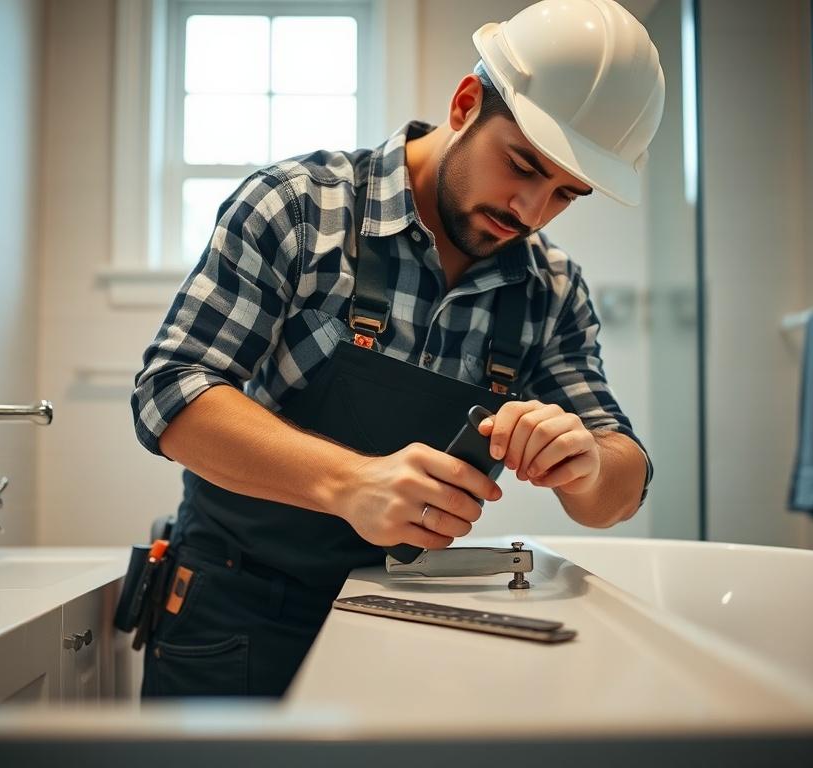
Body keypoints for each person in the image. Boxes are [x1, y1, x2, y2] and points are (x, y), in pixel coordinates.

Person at [131, 0, 665, 698]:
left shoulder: (550, 289)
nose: (530, 213)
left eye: (566, 194)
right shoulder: (297, 209)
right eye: (523, 166)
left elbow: (621, 485)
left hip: (405, 616)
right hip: (232, 614)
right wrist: (350, 484)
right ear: (467, 103)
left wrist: (588, 463)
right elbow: (170, 394)